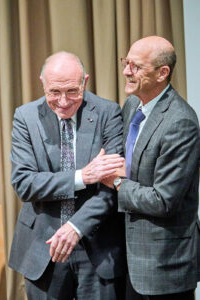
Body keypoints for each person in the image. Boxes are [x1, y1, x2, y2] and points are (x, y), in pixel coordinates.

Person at [8, 51, 127, 299]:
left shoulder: (108, 113)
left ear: (85, 81)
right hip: (43, 246)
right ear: (42, 83)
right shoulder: (26, 117)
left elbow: (111, 187)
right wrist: (83, 176)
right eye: (54, 92)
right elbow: (24, 183)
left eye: (73, 91)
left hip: (96, 246)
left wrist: (75, 227)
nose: (63, 101)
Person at [101, 36, 200, 299]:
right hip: (129, 259)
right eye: (126, 63)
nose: (126, 72)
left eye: (135, 66)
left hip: (164, 266)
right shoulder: (133, 104)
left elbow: (163, 201)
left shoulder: (181, 123)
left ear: (162, 73)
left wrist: (118, 182)